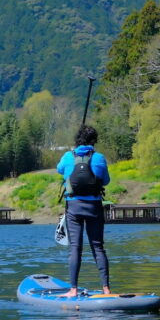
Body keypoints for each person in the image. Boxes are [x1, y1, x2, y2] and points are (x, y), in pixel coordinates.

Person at [56, 125, 112, 298]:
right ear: (93, 141)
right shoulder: (99, 158)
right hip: (94, 207)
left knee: (75, 248)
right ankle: (106, 289)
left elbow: (60, 170)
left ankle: (73, 289)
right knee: (98, 247)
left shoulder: (67, 157)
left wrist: (73, 155)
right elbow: (106, 181)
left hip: (73, 207)